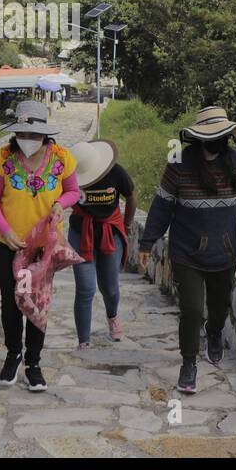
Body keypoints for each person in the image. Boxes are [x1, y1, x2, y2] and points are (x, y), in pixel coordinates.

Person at [138, 106, 236, 395]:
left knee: (219, 307)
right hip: (186, 253)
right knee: (192, 309)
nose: (218, 140)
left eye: (222, 135)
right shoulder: (178, 163)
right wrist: (148, 242)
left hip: (225, 253)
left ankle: (215, 332)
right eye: (212, 135)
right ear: (199, 138)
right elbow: (162, 206)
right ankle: (188, 364)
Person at [0, 99, 80, 392]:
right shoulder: (2, 159)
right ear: (15, 133)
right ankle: (13, 354)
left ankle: (33, 363)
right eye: (23, 135)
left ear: (45, 135)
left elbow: (74, 191)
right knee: (11, 302)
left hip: (42, 246)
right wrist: (6, 230)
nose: (28, 141)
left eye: (34, 135)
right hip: (10, 243)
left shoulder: (62, 158)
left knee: (38, 301)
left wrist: (61, 204)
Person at [67, 139, 136, 348]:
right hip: (81, 234)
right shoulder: (68, 177)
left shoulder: (116, 173)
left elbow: (132, 195)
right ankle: (84, 341)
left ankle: (113, 317)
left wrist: (128, 224)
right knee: (85, 288)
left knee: (110, 287)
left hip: (110, 232)